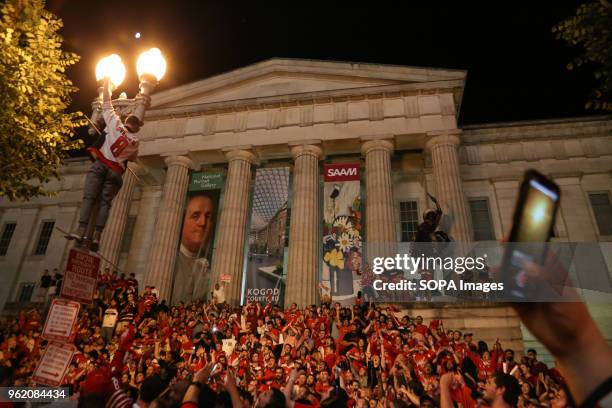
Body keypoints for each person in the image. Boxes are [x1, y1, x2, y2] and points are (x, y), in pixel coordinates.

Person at [69, 77, 142, 252]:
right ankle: (97, 235)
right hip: (115, 172)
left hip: (101, 164)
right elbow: (131, 158)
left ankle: (81, 229)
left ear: (126, 122)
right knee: (104, 203)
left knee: (89, 197)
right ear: (137, 127)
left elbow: (107, 102)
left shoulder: (116, 123)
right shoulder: (135, 141)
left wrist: (108, 82)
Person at [173, 192, 216, 304]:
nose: (202, 223)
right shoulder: (171, 259)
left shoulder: (212, 266)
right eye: (195, 216)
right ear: (181, 220)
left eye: (208, 217)